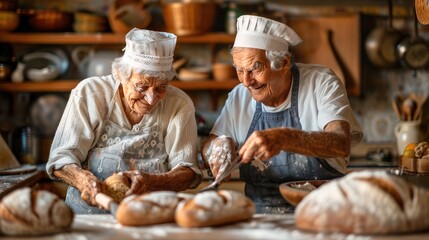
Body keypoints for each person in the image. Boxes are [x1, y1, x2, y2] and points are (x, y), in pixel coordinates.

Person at [201, 15, 363, 214]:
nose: (246, 81)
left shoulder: (321, 83)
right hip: (260, 218)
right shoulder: (239, 97)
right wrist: (217, 149)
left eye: (255, 68)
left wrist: (284, 138)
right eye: (240, 70)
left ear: (284, 63)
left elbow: (340, 143)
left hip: (324, 212)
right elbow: (209, 144)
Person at [46, 28, 201, 214]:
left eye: (162, 87)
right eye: (141, 86)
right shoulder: (90, 94)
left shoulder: (179, 104)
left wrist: (153, 182)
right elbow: (61, 159)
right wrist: (83, 180)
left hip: (150, 218)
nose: (151, 99)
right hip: (88, 220)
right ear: (120, 75)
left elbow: (188, 171)